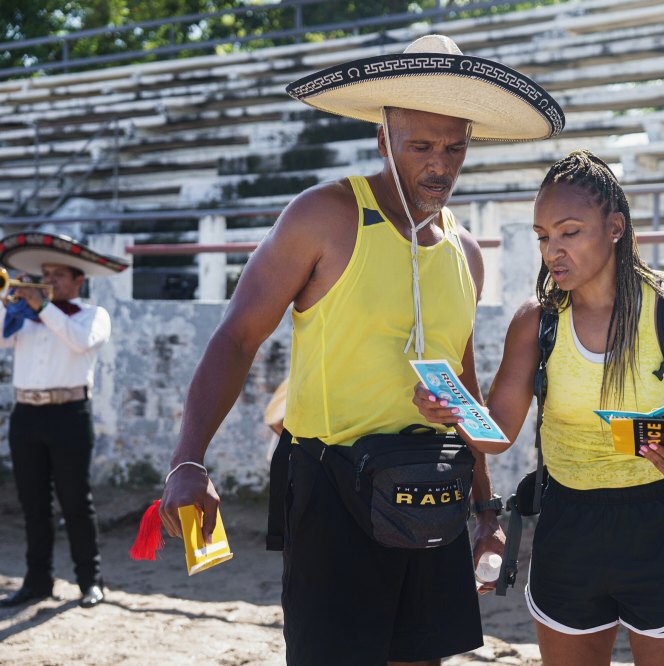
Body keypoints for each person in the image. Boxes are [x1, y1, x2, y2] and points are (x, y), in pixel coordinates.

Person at [157, 34, 564, 665]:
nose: (440, 165)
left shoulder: (466, 253)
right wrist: (188, 460)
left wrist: (484, 510)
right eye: (421, 145)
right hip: (330, 484)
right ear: (384, 138)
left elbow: (464, 386)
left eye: (454, 147)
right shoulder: (324, 214)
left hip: (432, 486)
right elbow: (237, 336)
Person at [415, 150, 664, 666]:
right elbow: (497, 434)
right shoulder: (537, 322)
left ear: (615, 227)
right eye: (542, 236)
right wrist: (452, 410)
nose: (552, 251)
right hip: (568, 523)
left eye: (569, 232)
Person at [0, 232, 129, 609]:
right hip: (26, 415)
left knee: (76, 502)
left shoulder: (93, 315)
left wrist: (42, 307)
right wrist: (16, 302)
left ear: (78, 281)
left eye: (58, 274)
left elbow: (81, 342)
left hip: (69, 416)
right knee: (33, 504)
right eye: (46, 273)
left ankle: (90, 580)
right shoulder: (20, 315)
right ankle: (37, 581)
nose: (49, 280)